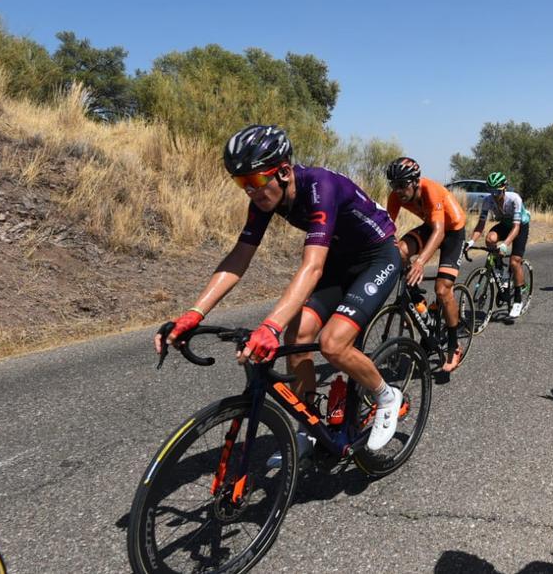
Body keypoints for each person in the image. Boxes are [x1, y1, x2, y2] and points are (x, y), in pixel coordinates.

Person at [154, 124, 403, 462]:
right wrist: (193, 313)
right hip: (340, 260)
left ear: (284, 171)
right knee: (298, 338)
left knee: (332, 343)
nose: (250, 192)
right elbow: (239, 257)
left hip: (377, 257)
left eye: (255, 181)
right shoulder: (263, 199)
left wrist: (267, 326)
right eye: (241, 184)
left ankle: (387, 396)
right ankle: (309, 427)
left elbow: (312, 266)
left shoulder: (320, 187)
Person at [385, 156, 468, 372]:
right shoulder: (396, 196)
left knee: (443, 289)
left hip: (452, 230)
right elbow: (386, 227)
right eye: (394, 186)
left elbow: (440, 232)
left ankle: (453, 344)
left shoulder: (430, 190)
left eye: (403, 185)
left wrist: (421, 262)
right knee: (401, 251)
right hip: (431, 226)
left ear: (415, 182)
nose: (399, 191)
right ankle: (418, 304)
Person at [468, 172, 531, 318]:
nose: (494, 195)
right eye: (491, 191)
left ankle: (517, 299)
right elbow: (480, 225)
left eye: (497, 191)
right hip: (505, 224)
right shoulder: (487, 201)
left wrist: (505, 244)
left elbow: (516, 228)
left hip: (520, 226)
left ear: (504, 188)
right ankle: (499, 270)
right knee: (490, 239)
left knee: (515, 262)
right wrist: (470, 241)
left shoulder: (514, 199)